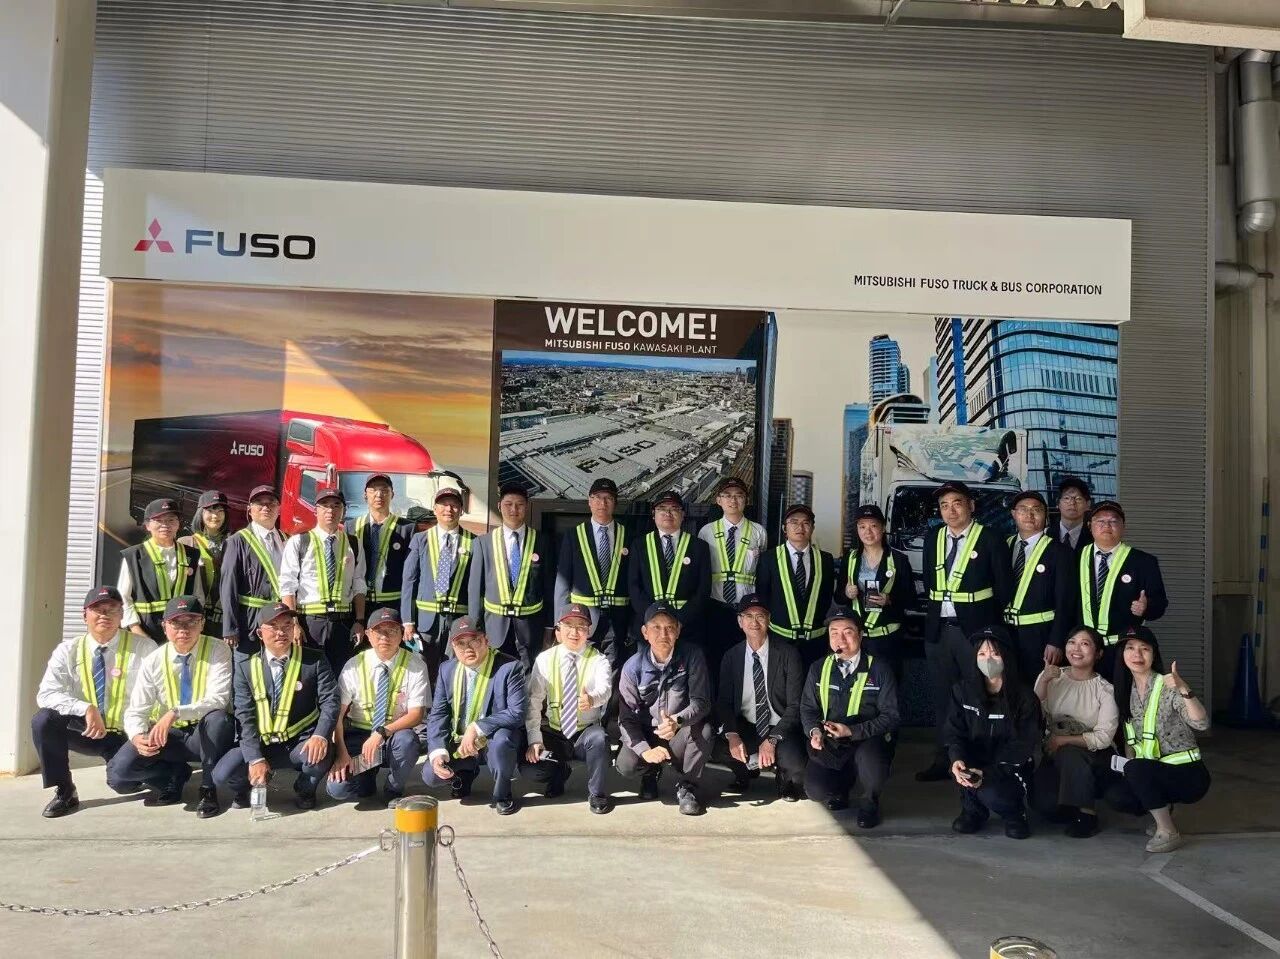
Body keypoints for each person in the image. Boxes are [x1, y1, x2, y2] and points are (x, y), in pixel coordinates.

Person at [31, 586, 158, 817]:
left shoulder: (145, 648)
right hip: (89, 731)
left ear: (122, 615)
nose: (104, 615)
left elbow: (160, 695)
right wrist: (86, 708)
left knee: (123, 783)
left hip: (128, 733)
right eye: (97, 610)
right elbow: (46, 694)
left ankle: (140, 771)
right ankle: (65, 791)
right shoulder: (67, 650)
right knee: (44, 720)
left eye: (112, 609)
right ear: (84, 616)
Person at [917, 480, 1013, 782]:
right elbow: (930, 582)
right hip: (939, 630)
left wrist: (988, 632)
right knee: (943, 697)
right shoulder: (933, 537)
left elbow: (1004, 588)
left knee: (980, 694)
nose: (950, 510)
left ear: (971, 505)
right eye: (944, 505)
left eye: (957, 503)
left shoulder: (991, 538)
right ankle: (945, 758)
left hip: (975, 635)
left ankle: (980, 761)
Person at [107, 597, 234, 817]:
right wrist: (137, 736)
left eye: (191, 621)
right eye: (176, 622)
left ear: (202, 624)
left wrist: (175, 713)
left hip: (205, 734)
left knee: (218, 719)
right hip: (168, 735)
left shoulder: (218, 649)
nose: (184, 629)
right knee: (119, 775)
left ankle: (208, 789)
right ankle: (172, 775)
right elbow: (137, 708)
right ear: (165, 627)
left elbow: (218, 699)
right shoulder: (153, 660)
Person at [212, 603, 339, 810]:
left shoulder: (314, 660)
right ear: (260, 633)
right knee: (221, 775)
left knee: (319, 757)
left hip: (299, 740)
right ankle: (245, 787)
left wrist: (320, 735)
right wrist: (255, 758)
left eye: (287, 625)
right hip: (261, 741)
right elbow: (244, 715)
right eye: (273, 626)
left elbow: (331, 701)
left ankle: (305, 788)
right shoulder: (246, 667)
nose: (281, 632)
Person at [1105, 625, 1210, 853]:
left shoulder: (1168, 685)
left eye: (1144, 648)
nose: (1137, 654)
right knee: (1117, 795)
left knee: (1136, 770)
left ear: (1154, 654)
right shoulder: (1124, 690)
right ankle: (1164, 807)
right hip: (1153, 771)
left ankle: (1168, 831)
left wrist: (1184, 689)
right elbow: (1130, 740)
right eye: (1130, 648)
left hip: (1188, 774)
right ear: (1121, 654)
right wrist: (1129, 768)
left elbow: (1201, 723)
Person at [799, 607, 899, 826]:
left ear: (860, 635)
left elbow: (891, 716)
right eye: (834, 633)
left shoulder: (880, 669)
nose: (840, 639)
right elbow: (808, 708)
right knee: (815, 791)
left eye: (848, 632)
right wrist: (814, 732)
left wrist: (852, 731)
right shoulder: (818, 668)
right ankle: (840, 790)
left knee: (873, 763)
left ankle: (870, 802)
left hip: (867, 739)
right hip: (832, 741)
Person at [423, 617, 528, 815]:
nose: (468, 648)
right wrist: (438, 751)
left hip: (492, 737)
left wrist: (477, 727)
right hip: (460, 739)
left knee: (503, 741)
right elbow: (438, 714)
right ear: (453, 646)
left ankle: (503, 793)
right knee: (431, 774)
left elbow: (517, 712)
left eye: (474, 641)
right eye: (461, 643)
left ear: (486, 640)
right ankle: (464, 775)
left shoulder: (509, 667)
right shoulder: (447, 669)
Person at [616, 602, 713, 816]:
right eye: (656, 628)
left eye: (669, 627)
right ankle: (650, 773)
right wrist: (645, 750)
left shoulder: (692, 655)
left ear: (678, 631)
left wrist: (678, 721)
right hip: (647, 734)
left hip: (679, 731)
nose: (663, 634)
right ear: (645, 632)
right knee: (626, 765)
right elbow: (626, 718)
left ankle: (688, 787)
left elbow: (702, 702)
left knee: (705, 731)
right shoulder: (632, 667)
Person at [327, 607, 428, 807]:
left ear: (402, 634)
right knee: (338, 789)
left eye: (392, 631)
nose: (385, 637)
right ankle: (366, 777)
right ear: (368, 634)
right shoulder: (353, 665)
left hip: (393, 736)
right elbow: (337, 715)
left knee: (407, 741)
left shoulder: (416, 665)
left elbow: (416, 714)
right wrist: (341, 753)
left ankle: (393, 789)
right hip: (359, 736)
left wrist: (381, 732)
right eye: (379, 631)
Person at [946, 627, 1040, 840]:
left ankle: (1015, 813)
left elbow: (1023, 744)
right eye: (982, 654)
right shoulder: (962, 691)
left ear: (1006, 656)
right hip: (974, 762)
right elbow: (954, 731)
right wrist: (956, 759)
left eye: (995, 653)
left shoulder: (1025, 697)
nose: (988, 660)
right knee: (958, 766)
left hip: (1008, 767)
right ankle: (973, 810)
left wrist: (987, 773)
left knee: (992, 791)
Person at [522, 604, 615, 814]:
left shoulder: (598, 659)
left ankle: (597, 793)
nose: (575, 632)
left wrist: (592, 699)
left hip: (584, 732)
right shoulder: (545, 659)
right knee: (531, 767)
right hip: (554, 732)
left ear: (588, 631)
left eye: (581, 626)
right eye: (568, 626)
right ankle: (558, 772)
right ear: (558, 631)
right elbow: (534, 701)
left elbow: (606, 689)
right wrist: (535, 739)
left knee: (599, 740)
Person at [713, 594, 807, 801]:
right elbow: (724, 703)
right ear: (740, 621)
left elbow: (795, 705)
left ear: (769, 620)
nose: (754, 622)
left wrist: (772, 740)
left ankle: (784, 778)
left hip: (779, 726)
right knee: (717, 747)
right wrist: (732, 735)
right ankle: (744, 772)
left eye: (760, 616)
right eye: (748, 616)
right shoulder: (731, 656)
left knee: (796, 761)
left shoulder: (788, 654)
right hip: (748, 725)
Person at [1031, 626, 1118, 838]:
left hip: (1095, 754)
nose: (1076, 648)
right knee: (1046, 807)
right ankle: (1073, 800)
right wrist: (1044, 680)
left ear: (1098, 653)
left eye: (1085, 644)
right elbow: (1032, 713)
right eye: (1072, 642)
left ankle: (1087, 813)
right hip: (1055, 752)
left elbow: (1104, 737)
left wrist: (1062, 740)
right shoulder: (1052, 676)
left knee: (1070, 752)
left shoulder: (1105, 689)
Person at [280, 485, 367, 680]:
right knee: (308, 678)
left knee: (341, 677)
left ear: (343, 511)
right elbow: (287, 585)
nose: (330, 511)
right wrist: (293, 623)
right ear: (316, 510)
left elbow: (359, 583)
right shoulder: (299, 542)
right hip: (310, 623)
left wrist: (359, 621)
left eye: (336, 506)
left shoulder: (353, 543)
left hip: (343, 623)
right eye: (325, 506)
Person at [1078, 500, 1168, 677]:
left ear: (1123, 526)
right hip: (1083, 651)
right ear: (1090, 526)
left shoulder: (1143, 562)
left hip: (1123, 650)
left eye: (1113, 521)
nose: (1107, 525)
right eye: (1100, 521)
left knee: (1121, 693)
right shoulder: (1074, 558)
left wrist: (1146, 607)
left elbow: (1160, 604)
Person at [469, 481, 551, 673]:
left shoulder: (542, 541)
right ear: (499, 506)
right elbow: (475, 589)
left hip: (530, 627)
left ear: (526, 507)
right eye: (508, 504)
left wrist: (549, 626)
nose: (514, 509)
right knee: (494, 675)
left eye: (519, 504)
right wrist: (475, 626)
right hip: (494, 627)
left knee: (529, 677)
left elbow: (549, 585)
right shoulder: (483, 543)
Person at [554, 477, 632, 672]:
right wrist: (559, 623)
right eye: (597, 498)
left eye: (608, 498)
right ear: (589, 501)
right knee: (580, 669)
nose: (602, 503)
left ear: (615, 503)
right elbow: (563, 582)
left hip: (618, 620)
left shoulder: (629, 535)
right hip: (582, 619)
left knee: (611, 670)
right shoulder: (573, 535)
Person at [834, 504, 917, 685]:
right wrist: (846, 593)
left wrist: (890, 599)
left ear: (883, 528)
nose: (868, 532)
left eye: (873, 526)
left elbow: (911, 599)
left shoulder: (898, 560)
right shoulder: (850, 558)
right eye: (862, 526)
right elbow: (838, 598)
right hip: (856, 639)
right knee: (855, 688)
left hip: (887, 639)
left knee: (887, 687)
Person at [698, 476, 768, 683]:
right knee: (714, 659)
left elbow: (763, 570)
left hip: (746, 609)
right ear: (718, 500)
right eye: (727, 495)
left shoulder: (758, 531)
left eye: (739, 495)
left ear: (746, 500)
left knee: (745, 659)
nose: (733, 500)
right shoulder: (706, 532)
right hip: (715, 606)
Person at [402, 487, 474, 684]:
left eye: (454, 505)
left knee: (455, 671)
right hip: (426, 621)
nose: (448, 509)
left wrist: (475, 622)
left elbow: (477, 586)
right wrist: (408, 621)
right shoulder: (420, 539)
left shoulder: (474, 542)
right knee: (423, 670)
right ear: (435, 509)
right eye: (443, 504)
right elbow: (409, 581)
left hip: (458, 620)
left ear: (461, 510)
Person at [1003, 491, 1075, 682]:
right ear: (1013, 514)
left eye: (1036, 510)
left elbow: (1065, 602)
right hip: (1006, 633)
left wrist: (1056, 641)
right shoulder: (1003, 546)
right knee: (1009, 688)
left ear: (1046, 515)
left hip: (1040, 636)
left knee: (1039, 690)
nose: (1029, 515)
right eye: (1023, 509)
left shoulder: (1060, 552)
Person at [627, 491, 712, 649]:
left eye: (674, 508)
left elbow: (703, 589)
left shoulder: (699, 546)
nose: (668, 513)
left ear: (683, 514)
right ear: (653, 514)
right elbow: (634, 587)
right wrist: (653, 620)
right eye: (662, 509)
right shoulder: (639, 545)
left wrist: (680, 620)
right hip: (650, 628)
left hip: (688, 627)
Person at [754, 504, 835, 667]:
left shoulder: (826, 559)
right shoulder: (768, 559)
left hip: (815, 642)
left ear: (812, 528)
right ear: (784, 528)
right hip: (780, 639)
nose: (800, 527)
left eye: (806, 523)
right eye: (794, 522)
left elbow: (826, 597)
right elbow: (763, 596)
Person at [117, 497, 202, 644]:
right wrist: (136, 629)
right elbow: (123, 597)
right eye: (159, 520)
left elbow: (198, 595)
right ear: (147, 525)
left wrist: (193, 627)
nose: (165, 525)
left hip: (182, 632)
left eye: (171, 520)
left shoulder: (191, 554)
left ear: (178, 524)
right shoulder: (134, 556)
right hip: (144, 632)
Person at [220, 485, 287, 652]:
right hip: (250, 619)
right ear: (250, 510)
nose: (266, 507)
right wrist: (230, 627)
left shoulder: (287, 539)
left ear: (279, 508)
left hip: (280, 619)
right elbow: (228, 585)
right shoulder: (237, 541)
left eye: (271, 502)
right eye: (259, 503)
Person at [348, 473, 415, 614]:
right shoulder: (352, 526)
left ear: (392, 494)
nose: (379, 495)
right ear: (365, 495)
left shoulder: (407, 528)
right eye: (373, 490)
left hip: (392, 603)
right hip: (358, 603)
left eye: (384, 490)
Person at [179, 489, 229, 638]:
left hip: (223, 615)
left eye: (220, 511)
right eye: (210, 511)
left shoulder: (234, 543)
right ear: (200, 513)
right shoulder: (185, 543)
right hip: (192, 614)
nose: (215, 516)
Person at [1054, 476, 1093, 552]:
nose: (1072, 503)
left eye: (1078, 499)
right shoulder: (1045, 535)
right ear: (1058, 503)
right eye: (1067, 498)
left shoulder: (1095, 538)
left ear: (1088, 505)